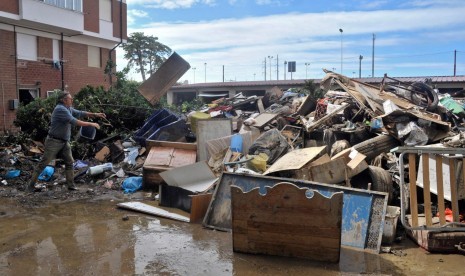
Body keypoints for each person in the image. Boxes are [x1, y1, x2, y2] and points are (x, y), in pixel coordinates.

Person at [26, 91, 106, 192]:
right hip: (53, 141)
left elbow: (80, 113)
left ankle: (71, 186)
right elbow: (74, 121)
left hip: (64, 142)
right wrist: (91, 124)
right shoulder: (60, 109)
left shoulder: (68, 108)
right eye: (70, 98)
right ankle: (30, 186)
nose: (72, 100)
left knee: (69, 163)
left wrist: (95, 114)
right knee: (43, 163)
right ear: (64, 100)